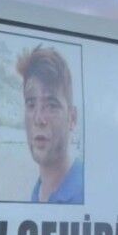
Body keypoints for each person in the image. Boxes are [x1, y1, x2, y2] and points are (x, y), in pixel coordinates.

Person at [19, 45, 82, 204]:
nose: (38, 119)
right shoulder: (38, 192)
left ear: (72, 118)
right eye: (31, 104)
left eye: (51, 105)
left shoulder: (84, 191)